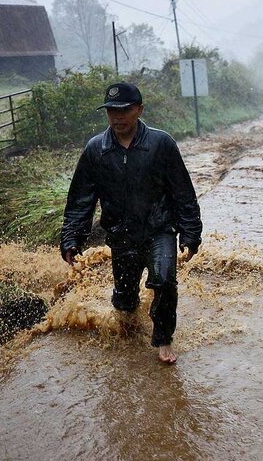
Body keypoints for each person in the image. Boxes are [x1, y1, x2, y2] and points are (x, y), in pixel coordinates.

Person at [60, 81, 202, 365]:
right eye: (112, 110)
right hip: (120, 234)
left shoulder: (161, 144)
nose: (117, 117)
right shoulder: (96, 150)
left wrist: (190, 234)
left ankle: (163, 339)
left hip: (159, 229)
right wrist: (72, 237)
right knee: (125, 301)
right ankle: (128, 325)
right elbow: (80, 199)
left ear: (139, 110)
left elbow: (182, 192)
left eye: (124, 110)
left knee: (164, 280)